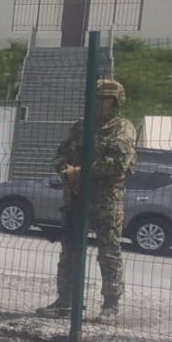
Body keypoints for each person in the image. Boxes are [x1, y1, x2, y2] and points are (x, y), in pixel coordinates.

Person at [39, 78, 137, 320]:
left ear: (116, 101)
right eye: (97, 98)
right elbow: (60, 154)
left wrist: (79, 172)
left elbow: (117, 164)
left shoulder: (122, 128)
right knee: (70, 250)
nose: (100, 104)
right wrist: (65, 171)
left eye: (106, 99)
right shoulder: (80, 127)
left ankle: (110, 305)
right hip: (75, 196)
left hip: (106, 200)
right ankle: (65, 302)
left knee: (109, 251)